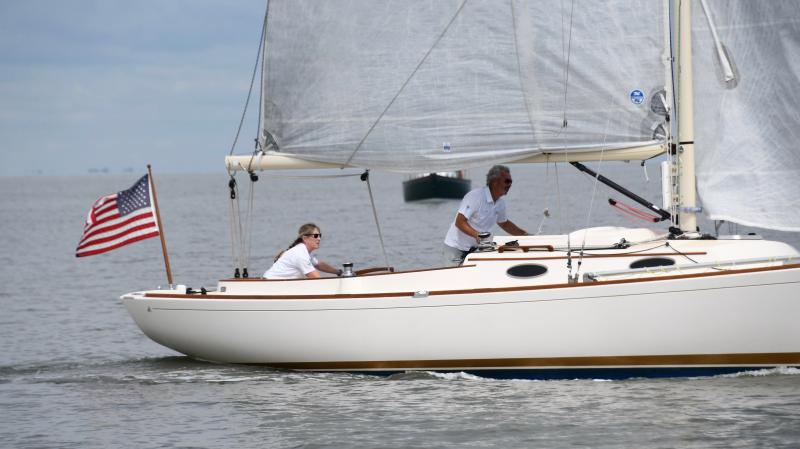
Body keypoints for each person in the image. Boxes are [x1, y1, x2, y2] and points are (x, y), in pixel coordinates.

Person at [443, 165, 528, 265]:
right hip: (455, 248)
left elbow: (504, 224)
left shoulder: (500, 204)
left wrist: (526, 235)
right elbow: (460, 222)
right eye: (507, 181)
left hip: (475, 250)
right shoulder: (475, 196)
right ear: (495, 182)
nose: (510, 185)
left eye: (511, 182)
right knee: (454, 279)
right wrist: (478, 236)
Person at [263, 223, 341, 279]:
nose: (319, 239)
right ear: (305, 238)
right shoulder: (300, 254)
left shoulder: (303, 251)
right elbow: (316, 278)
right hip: (270, 285)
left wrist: (339, 272)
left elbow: (319, 265)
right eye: (316, 236)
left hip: (277, 285)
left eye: (320, 235)